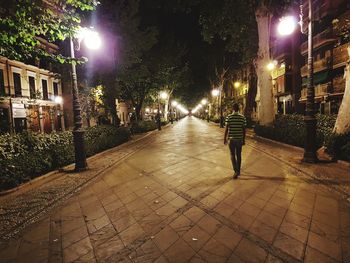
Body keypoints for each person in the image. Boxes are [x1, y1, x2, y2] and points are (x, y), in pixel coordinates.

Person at [224, 103, 246, 179]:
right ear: (239, 109)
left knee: (232, 155)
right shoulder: (242, 117)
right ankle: (238, 170)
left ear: (232, 109)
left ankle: (235, 171)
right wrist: (243, 139)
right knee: (239, 155)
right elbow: (244, 130)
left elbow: (226, 129)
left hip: (231, 139)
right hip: (239, 139)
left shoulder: (229, 117)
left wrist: (225, 139)